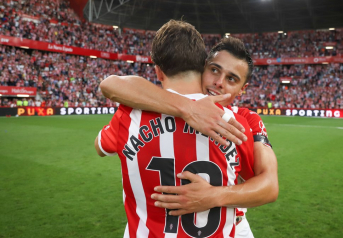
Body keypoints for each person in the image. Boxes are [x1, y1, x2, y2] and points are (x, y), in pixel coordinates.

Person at [100, 37, 278, 238]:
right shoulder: (163, 104)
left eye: (231, 79)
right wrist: (188, 109)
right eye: (214, 70)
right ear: (202, 67)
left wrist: (213, 196)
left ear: (241, 89)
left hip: (234, 226)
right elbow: (111, 84)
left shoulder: (245, 120)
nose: (219, 82)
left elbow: (270, 185)